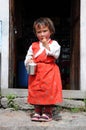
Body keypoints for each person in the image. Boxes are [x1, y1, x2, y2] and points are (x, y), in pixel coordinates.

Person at [24, 17, 63, 122]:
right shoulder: (33, 45)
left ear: (51, 31)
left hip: (49, 72)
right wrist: (29, 61)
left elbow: (56, 55)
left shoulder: (54, 44)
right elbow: (28, 57)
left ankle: (47, 112)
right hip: (36, 72)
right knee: (37, 91)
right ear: (36, 33)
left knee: (48, 91)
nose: (42, 34)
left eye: (45, 31)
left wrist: (47, 47)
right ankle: (37, 111)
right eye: (39, 32)